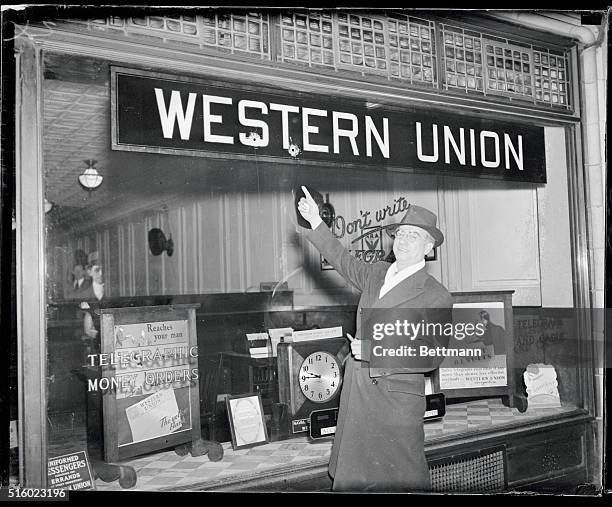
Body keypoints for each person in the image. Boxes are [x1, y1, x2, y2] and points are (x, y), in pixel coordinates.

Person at [297, 186, 453, 492]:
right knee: (354, 479)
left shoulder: (436, 294)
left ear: (428, 247)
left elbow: (432, 355)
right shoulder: (377, 274)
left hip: (395, 404)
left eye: (414, 236)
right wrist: (316, 222)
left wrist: (372, 349)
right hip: (358, 395)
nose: (404, 240)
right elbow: (341, 259)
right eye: (402, 233)